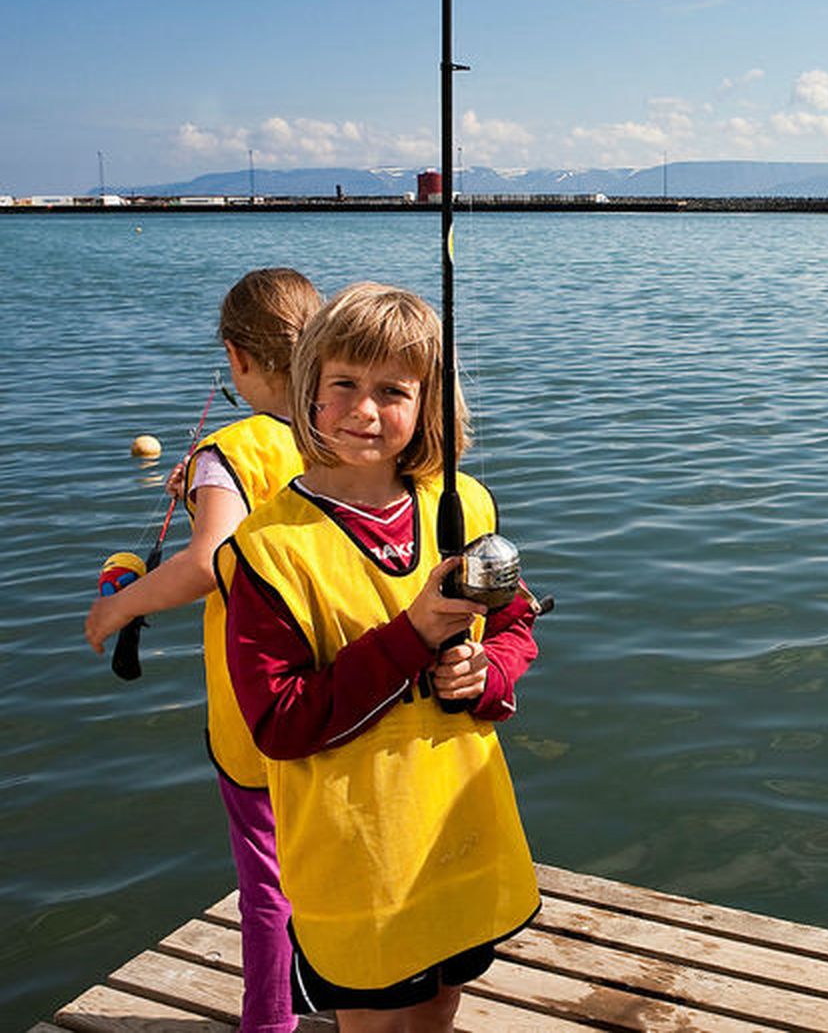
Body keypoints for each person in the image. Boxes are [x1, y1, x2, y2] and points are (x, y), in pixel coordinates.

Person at [218, 282, 541, 1033]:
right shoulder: (266, 554)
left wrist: (486, 672)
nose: (366, 411)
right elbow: (283, 723)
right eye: (344, 385)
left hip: (459, 837)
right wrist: (414, 636)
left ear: (427, 405)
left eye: (394, 390)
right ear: (308, 389)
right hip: (358, 859)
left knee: (440, 1010)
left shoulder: (462, 506)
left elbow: (517, 625)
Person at [86, 267, 321, 1033]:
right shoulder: (349, 430)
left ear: (237, 357)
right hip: (342, 698)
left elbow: (208, 560)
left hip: (257, 722)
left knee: (267, 883)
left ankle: (271, 1023)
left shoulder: (230, 451)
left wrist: (116, 607)